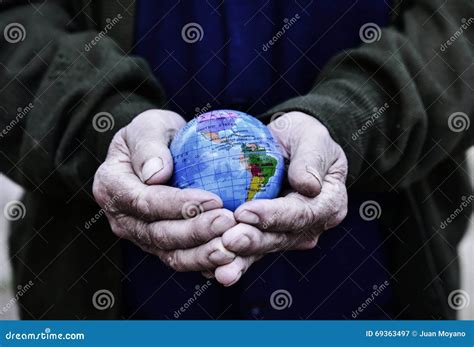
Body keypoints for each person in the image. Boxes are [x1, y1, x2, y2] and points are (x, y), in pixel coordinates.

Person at [0, 0, 472, 319]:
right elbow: (14, 24)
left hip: (375, 285)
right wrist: (105, 124)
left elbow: (458, 23)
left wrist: (350, 120)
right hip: (105, 292)